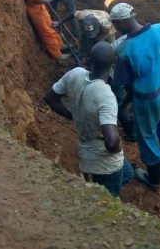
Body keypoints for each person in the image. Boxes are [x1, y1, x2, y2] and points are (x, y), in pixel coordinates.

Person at [111, 3, 160, 190]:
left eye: (114, 24)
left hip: (146, 99)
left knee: (147, 136)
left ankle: (154, 180)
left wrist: (125, 101)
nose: (115, 28)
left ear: (121, 22)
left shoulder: (124, 49)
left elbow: (124, 82)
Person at [43, 42, 134, 197]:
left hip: (86, 151)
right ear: (114, 64)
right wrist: (118, 146)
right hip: (106, 163)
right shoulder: (106, 96)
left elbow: (50, 98)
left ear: (89, 61)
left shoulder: (74, 74)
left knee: (128, 173)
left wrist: (74, 115)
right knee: (108, 199)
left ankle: (94, 191)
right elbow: (112, 142)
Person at [54, 8, 135, 140]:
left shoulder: (108, 26)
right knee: (86, 52)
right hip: (108, 76)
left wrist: (96, 59)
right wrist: (60, 23)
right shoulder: (82, 16)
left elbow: (105, 50)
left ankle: (131, 132)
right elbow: (72, 13)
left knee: (104, 52)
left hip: (106, 41)